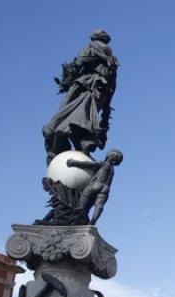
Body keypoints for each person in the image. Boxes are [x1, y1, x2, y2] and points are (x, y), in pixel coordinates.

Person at [43, 30, 119, 162]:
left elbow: (78, 64)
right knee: (81, 124)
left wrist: (67, 80)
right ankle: (80, 149)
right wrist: (105, 116)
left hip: (84, 89)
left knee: (63, 123)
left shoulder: (91, 48)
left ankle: (57, 151)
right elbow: (113, 87)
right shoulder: (112, 60)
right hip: (99, 94)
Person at [66, 149, 123, 224]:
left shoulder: (103, 164)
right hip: (105, 189)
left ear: (109, 156)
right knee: (98, 207)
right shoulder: (112, 170)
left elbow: (88, 164)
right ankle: (92, 222)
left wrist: (73, 163)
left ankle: (77, 219)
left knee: (81, 205)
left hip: (95, 185)